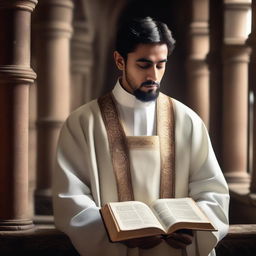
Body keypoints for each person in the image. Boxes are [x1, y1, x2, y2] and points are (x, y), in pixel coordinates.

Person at [53, 17, 229, 256]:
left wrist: (193, 230)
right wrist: (114, 233)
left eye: (160, 64)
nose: (153, 76)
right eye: (144, 64)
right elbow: (71, 200)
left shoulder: (187, 120)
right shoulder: (83, 123)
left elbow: (212, 190)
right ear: (119, 60)